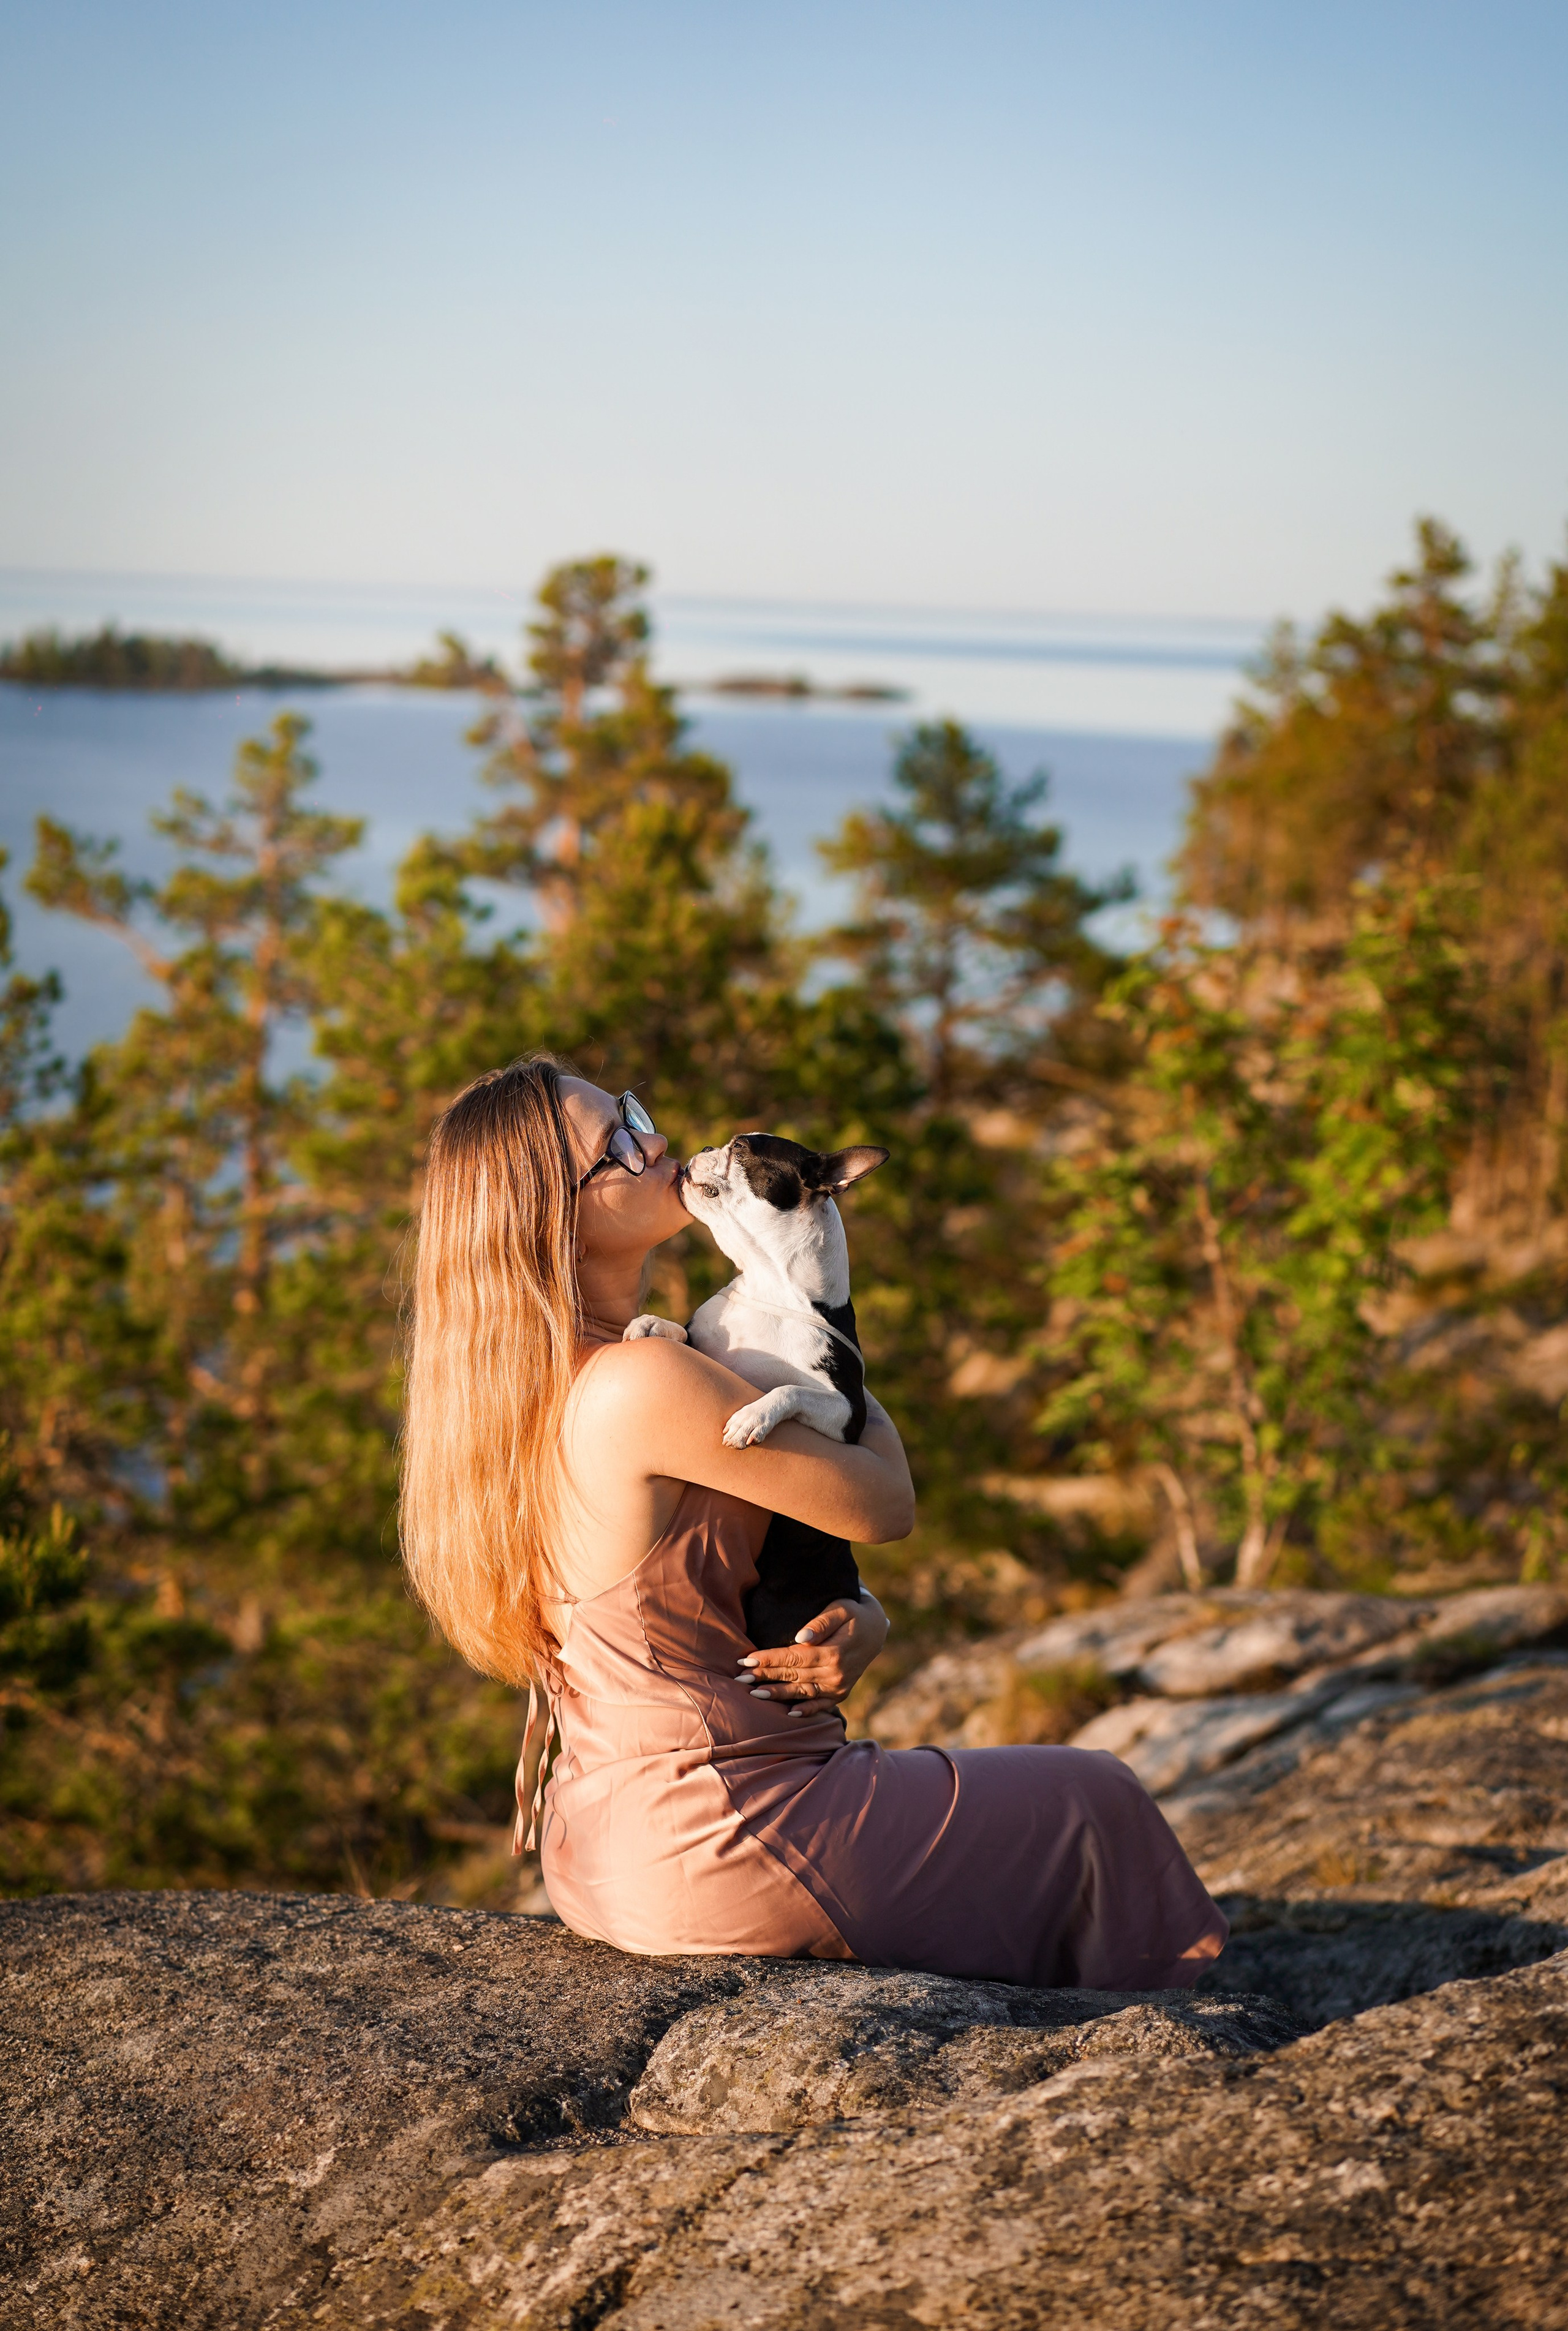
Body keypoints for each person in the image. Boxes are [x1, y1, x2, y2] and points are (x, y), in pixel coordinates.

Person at [401, 1056, 1227, 1986]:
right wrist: (821, 1321)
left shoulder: (538, 1389)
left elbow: (674, 1593)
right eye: (619, 1142)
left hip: (603, 1841)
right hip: (726, 1831)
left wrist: (855, 1611)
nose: (659, 1139)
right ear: (557, 1212)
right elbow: (884, 1499)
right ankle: (1197, 2057)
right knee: (1096, 1799)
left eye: (633, 1108)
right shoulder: (645, 1381)